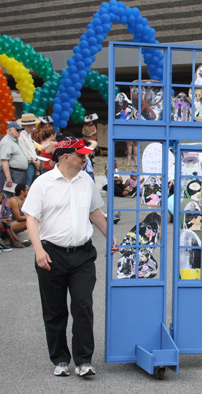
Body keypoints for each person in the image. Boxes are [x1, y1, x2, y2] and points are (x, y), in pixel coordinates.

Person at [23, 137, 118, 377]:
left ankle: (84, 360)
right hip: (51, 254)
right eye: (81, 155)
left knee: (83, 306)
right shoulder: (42, 183)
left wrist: (110, 236)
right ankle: (60, 359)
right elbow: (31, 218)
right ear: (65, 157)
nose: (86, 158)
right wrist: (38, 250)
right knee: (55, 311)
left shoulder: (86, 180)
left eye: (86, 154)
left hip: (83, 255)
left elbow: (94, 212)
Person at [0, 121, 28, 197]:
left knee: (17, 197)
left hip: (18, 173)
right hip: (13, 173)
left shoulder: (13, 140)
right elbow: (4, 161)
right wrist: (8, 178)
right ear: (9, 130)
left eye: (20, 130)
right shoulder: (7, 142)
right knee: (10, 197)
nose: (19, 132)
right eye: (17, 130)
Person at [18, 113, 41, 186]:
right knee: (27, 185)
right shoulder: (21, 135)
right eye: (33, 125)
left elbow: (31, 150)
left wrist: (36, 160)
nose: (34, 127)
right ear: (27, 126)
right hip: (28, 164)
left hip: (33, 163)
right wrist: (34, 161)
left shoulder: (28, 135)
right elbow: (24, 151)